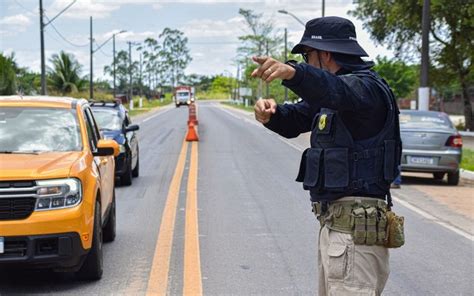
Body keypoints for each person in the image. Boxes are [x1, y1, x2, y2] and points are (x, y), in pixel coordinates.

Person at [251, 16, 401, 295]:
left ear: (326, 54)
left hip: (355, 234)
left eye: (308, 55)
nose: (306, 62)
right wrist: (270, 115)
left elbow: (336, 90)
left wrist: (294, 73)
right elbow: (297, 118)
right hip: (337, 231)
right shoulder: (333, 97)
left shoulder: (364, 89)